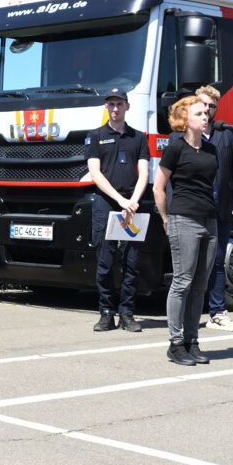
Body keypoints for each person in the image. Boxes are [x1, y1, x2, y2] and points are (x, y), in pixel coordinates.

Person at [153, 95, 219, 366]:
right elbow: (158, 187)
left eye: (207, 113)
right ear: (185, 119)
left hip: (209, 221)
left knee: (200, 285)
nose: (206, 116)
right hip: (184, 218)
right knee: (182, 281)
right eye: (199, 113)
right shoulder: (175, 148)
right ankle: (175, 343)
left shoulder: (211, 149)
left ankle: (192, 341)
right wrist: (166, 218)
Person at [82, 87, 149, 333]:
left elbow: (145, 172)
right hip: (106, 204)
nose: (115, 108)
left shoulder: (139, 137)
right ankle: (106, 313)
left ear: (127, 107)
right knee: (105, 262)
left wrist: (133, 200)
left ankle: (128, 314)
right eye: (110, 104)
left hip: (133, 205)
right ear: (106, 107)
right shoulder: (95, 136)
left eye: (119, 103)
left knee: (131, 263)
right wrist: (120, 200)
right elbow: (95, 173)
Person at [195, 86, 233, 332]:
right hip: (193, 209)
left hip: (222, 208)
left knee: (218, 261)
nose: (207, 110)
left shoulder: (226, 134)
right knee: (192, 263)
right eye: (203, 104)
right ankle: (189, 311)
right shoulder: (183, 135)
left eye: (212, 106)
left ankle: (216, 313)